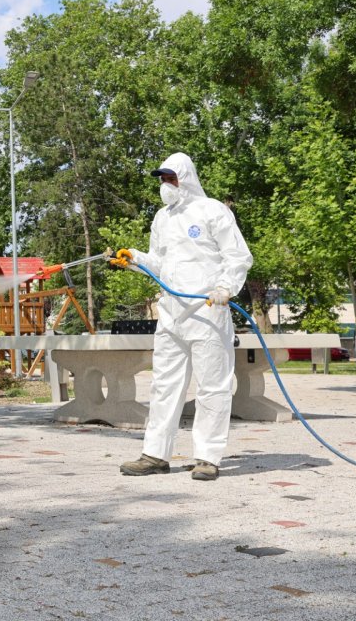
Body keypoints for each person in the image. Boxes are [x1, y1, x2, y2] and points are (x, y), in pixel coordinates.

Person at [114, 152, 253, 481]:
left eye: (171, 177)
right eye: (162, 179)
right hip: (171, 314)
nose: (166, 184)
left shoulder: (212, 210)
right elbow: (160, 264)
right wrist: (135, 259)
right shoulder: (162, 218)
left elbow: (238, 256)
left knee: (212, 387)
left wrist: (225, 288)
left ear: (186, 178)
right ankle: (155, 454)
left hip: (207, 311)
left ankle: (207, 457)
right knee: (163, 386)